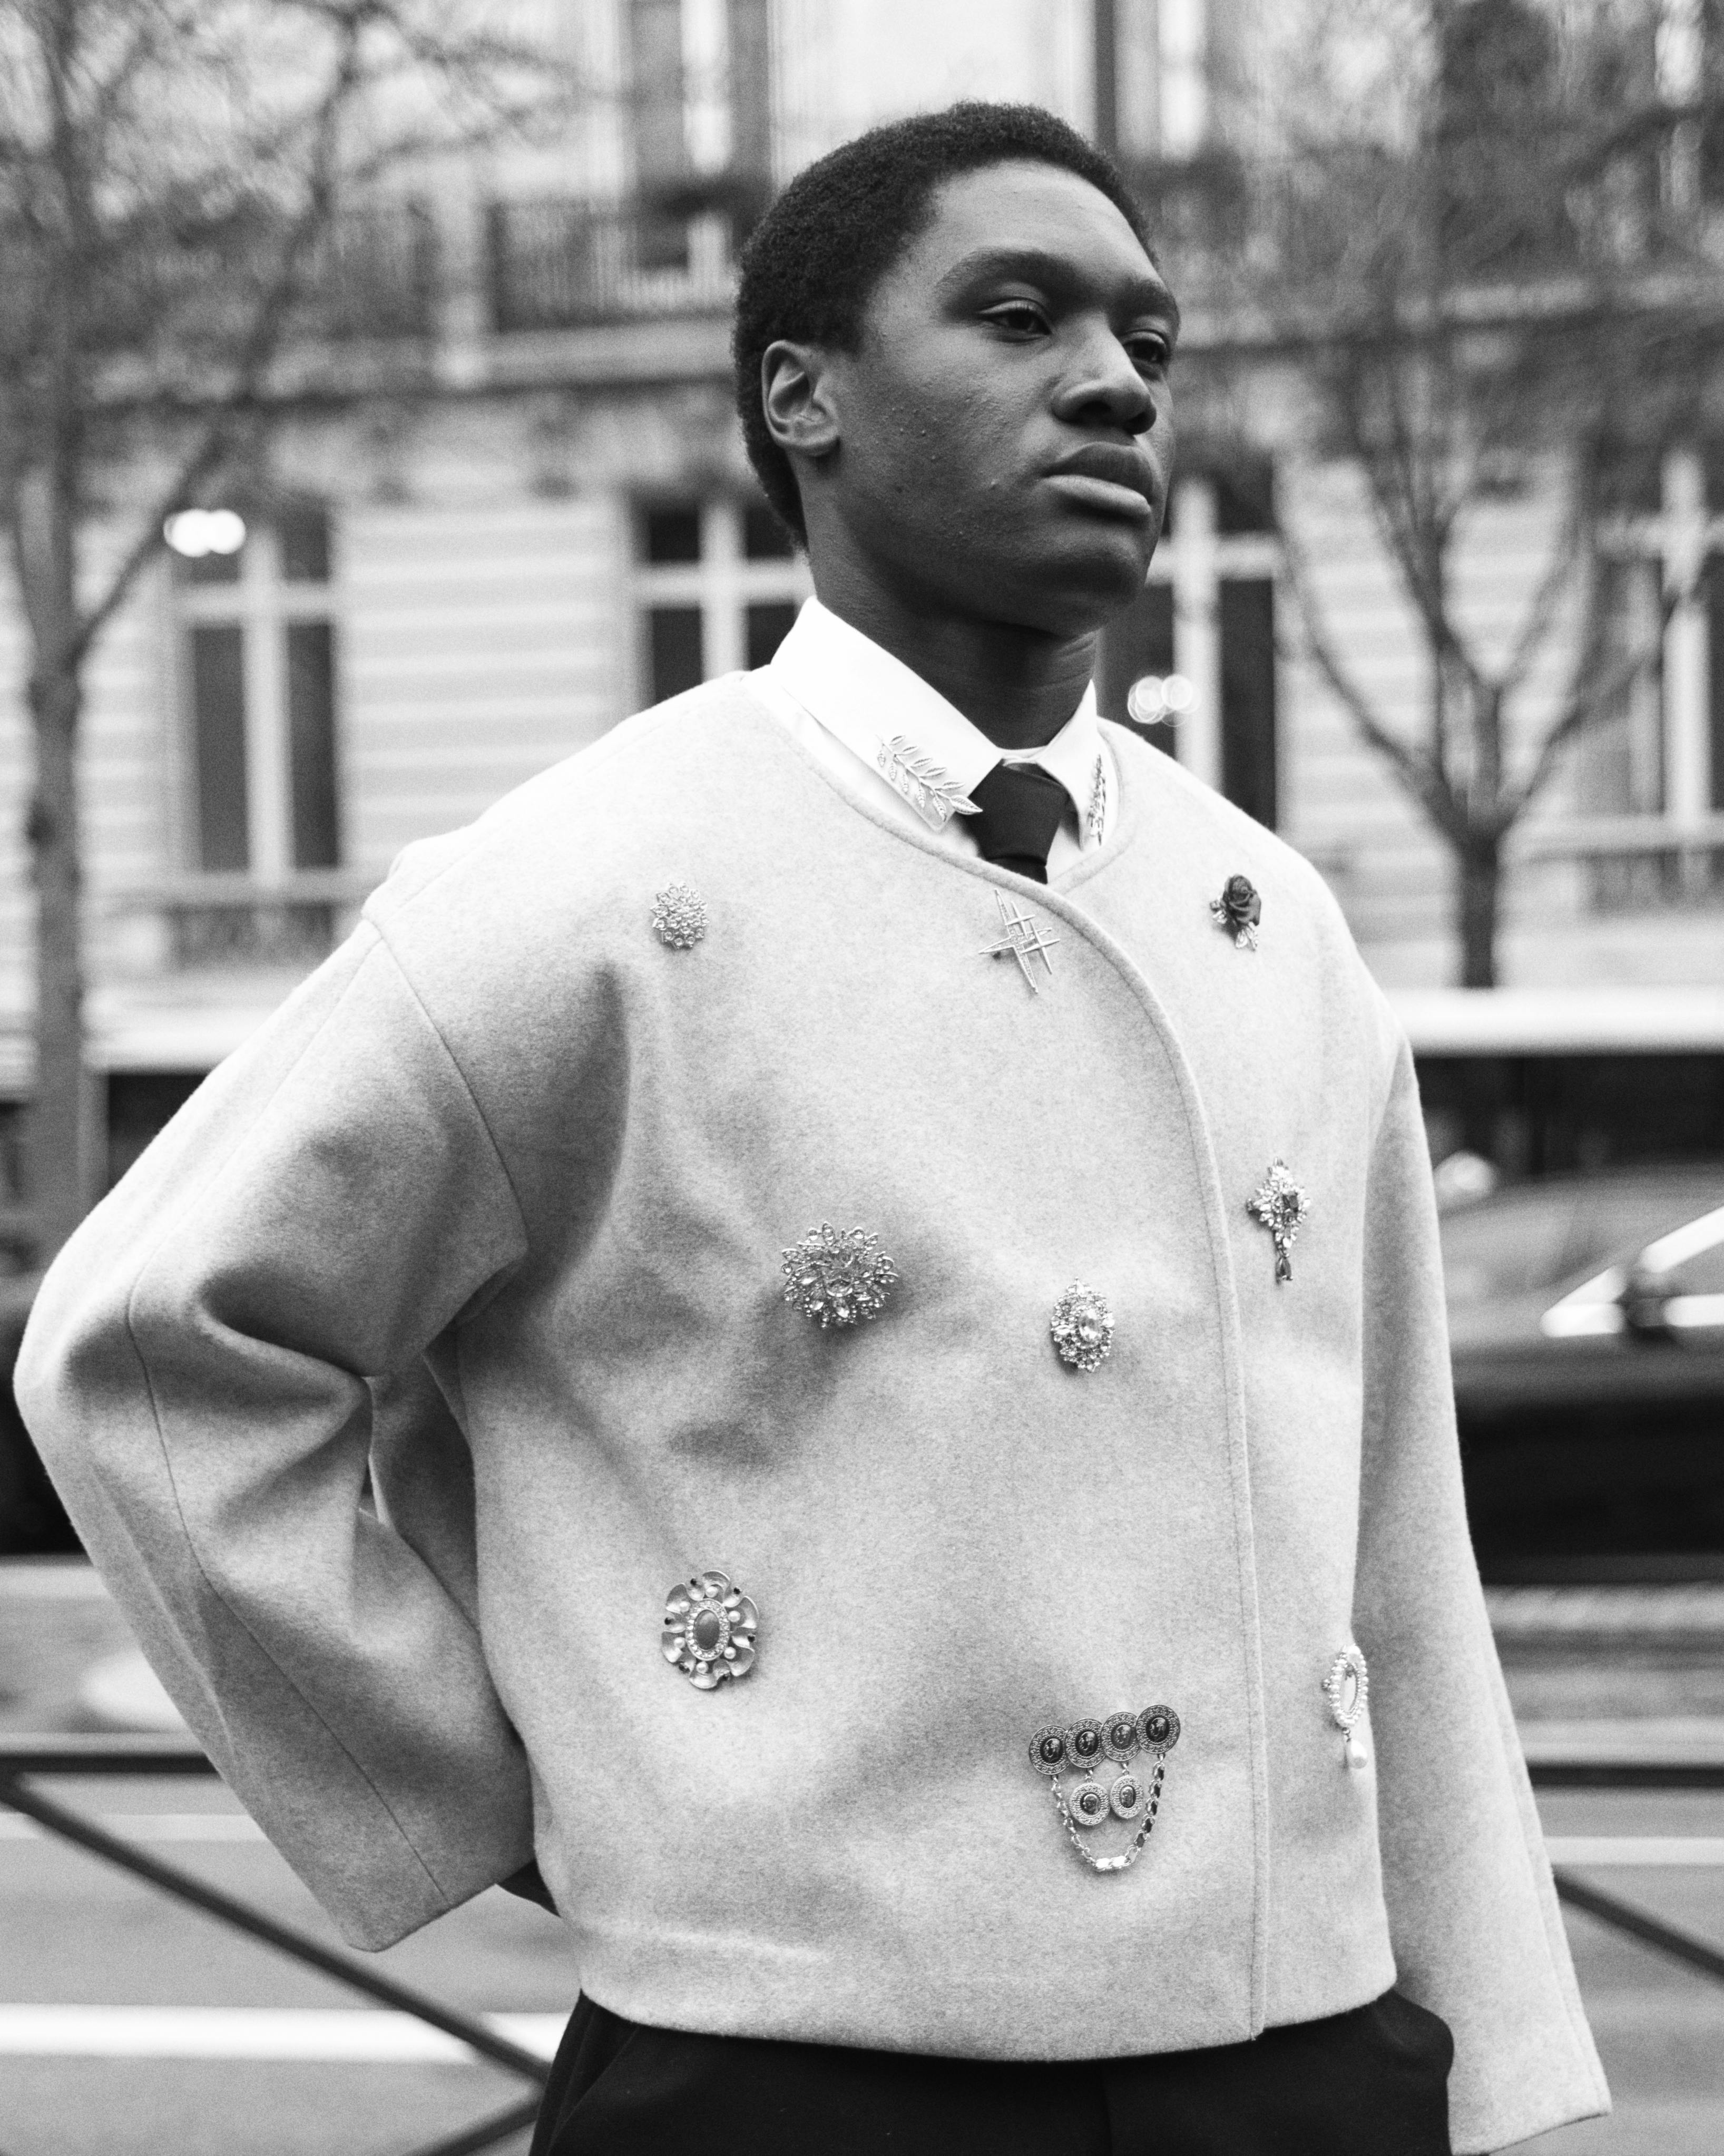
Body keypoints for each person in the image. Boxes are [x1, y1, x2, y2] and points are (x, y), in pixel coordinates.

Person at [17, 102, 1607, 2156]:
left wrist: (1489, 2050)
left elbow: (1396, 1537)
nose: (1114, 379)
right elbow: (154, 1354)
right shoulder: (582, 896)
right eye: (1016, 315)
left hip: (1292, 2058)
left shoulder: (1270, 920)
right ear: (802, 395)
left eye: (1147, 335)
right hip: (789, 2079)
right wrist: (506, 1797)